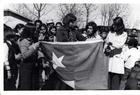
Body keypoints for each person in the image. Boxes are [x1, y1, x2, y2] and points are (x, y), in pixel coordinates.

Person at [104, 17, 128, 90]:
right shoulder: (110, 33)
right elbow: (106, 42)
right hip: (109, 57)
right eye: (113, 24)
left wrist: (110, 43)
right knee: (107, 82)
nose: (114, 26)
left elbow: (119, 44)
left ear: (120, 25)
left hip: (117, 59)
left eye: (116, 25)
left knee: (115, 82)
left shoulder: (124, 34)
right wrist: (107, 48)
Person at [18, 23, 40, 90]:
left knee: (32, 86)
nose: (35, 32)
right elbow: (24, 55)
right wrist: (34, 47)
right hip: (26, 67)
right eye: (33, 30)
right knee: (26, 87)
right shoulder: (23, 41)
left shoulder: (31, 39)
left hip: (32, 65)